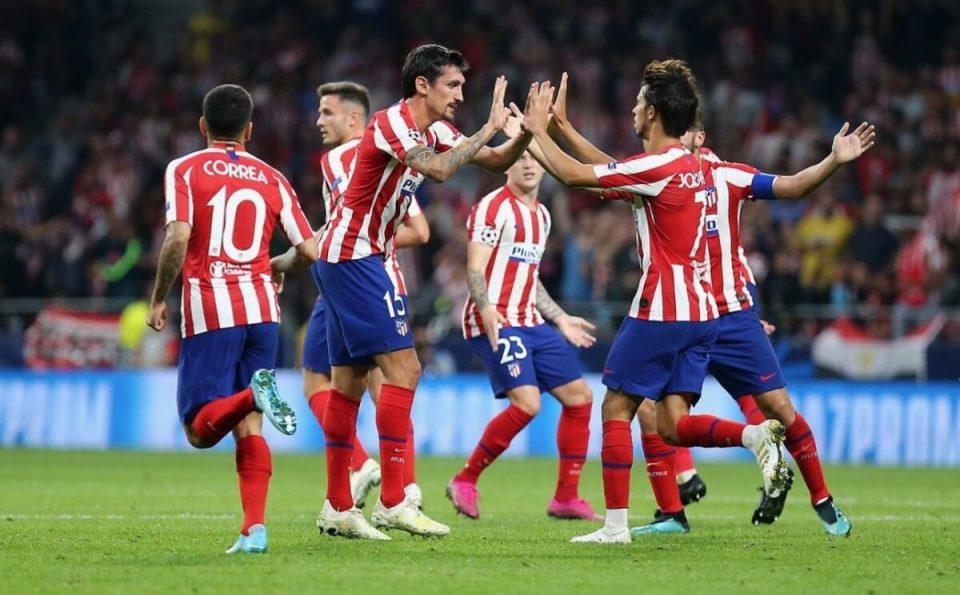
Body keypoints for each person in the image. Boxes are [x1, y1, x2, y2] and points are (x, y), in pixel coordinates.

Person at [520, 60, 789, 544]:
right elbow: (612, 170)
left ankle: (615, 527)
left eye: (639, 101)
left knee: (616, 408)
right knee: (671, 424)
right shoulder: (692, 167)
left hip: (662, 309)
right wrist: (561, 129)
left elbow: (576, 177)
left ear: (654, 112)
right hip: (703, 313)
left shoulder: (657, 166)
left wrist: (536, 130)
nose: (632, 108)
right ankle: (753, 435)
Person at [309, 44, 532, 540]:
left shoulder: (436, 130)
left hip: (350, 257)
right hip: (354, 255)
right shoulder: (391, 122)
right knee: (405, 369)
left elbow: (495, 159)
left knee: (347, 386)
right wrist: (488, 126)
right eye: (452, 85)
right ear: (422, 85)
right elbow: (439, 169)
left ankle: (337, 505)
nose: (460, 95)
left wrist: (527, 134)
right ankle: (394, 501)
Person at [628, 112, 874, 537]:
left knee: (780, 408)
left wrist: (833, 161)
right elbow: (597, 171)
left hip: (732, 316)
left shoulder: (728, 177)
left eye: (684, 131)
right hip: (683, 314)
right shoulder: (656, 177)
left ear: (700, 136)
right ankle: (673, 513)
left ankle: (823, 501)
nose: (675, 138)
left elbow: (792, 185)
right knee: (654, 413)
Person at [148, 84, 317, 553]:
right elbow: (309, 250)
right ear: (250, 130)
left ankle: (250, 394)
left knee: (198, 431)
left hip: (212, 309)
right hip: (263, 311)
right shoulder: (273, 178)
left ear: (203, 125)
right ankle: (254, 530)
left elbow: (178, 238)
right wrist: (276, 266)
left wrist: (158, 297)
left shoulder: (184, 168)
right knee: (250, 426)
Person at [276, 82, 429, 514]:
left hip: (352, 279)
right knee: (386, 384)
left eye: (327, 112)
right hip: (382, 279)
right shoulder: (392, 154)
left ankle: (364, 468)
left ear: (354, 118)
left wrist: (334, 245)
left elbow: (354, 222)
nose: (319, 121)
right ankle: (406, 487)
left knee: (320, 381)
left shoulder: (344, 157)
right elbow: (419, 229)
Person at [446, 142, 600, 521]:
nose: (528, 164)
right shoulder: (492, 208)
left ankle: (566, 498)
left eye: (534, 158)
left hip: (531, 320)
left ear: (545, 166)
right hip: (495, 320)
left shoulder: (542, 216)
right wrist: (487, 309)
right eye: (520, 158)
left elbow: (527, 277)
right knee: (528, 404)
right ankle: (465, 480)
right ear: (506, 165)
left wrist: (560, 318)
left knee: (580, 398)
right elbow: (475, 268)